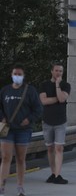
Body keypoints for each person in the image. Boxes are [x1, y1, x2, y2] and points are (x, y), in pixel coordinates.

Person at [0, 64, 42, 196]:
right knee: (6, 157)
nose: (17, 76)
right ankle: (2, 185)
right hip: (8, 129)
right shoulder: (5, 90)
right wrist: (2, 117)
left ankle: (20, 185)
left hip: (23, 130)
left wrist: (29, 119)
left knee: (20, 158)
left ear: (23, 76)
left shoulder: (30, 91)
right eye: (15, 74)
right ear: (11, 75)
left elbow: (38, 109)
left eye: (19, 74)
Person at [39, 62, 71, 184]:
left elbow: (63, 98)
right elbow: (44, 101)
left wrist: (58, 85)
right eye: (56, 70)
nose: (58, 73)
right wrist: (58, 98)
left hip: (60, 121)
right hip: (47, 121)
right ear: (52, 71)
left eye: (61, 71)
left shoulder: (66, 85)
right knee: (50, 148)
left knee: (59, 148)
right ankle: (53, 173)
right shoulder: (44, 85)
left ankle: (58, 175)